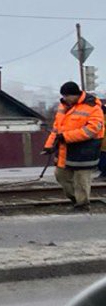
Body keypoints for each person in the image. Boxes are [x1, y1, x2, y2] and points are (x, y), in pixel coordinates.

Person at [43, 81, 105, 212]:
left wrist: (66, 137)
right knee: (61, 176)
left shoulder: (93, 107)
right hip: (66, 150)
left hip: (85, 150)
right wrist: (48, 146)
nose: (64, 98)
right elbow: (56, 129)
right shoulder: (63, 106)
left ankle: (82, 205)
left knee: (81, 179)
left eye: (67, 96)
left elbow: (92, 130)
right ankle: (76, 199)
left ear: (76, 95)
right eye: (63, 96)